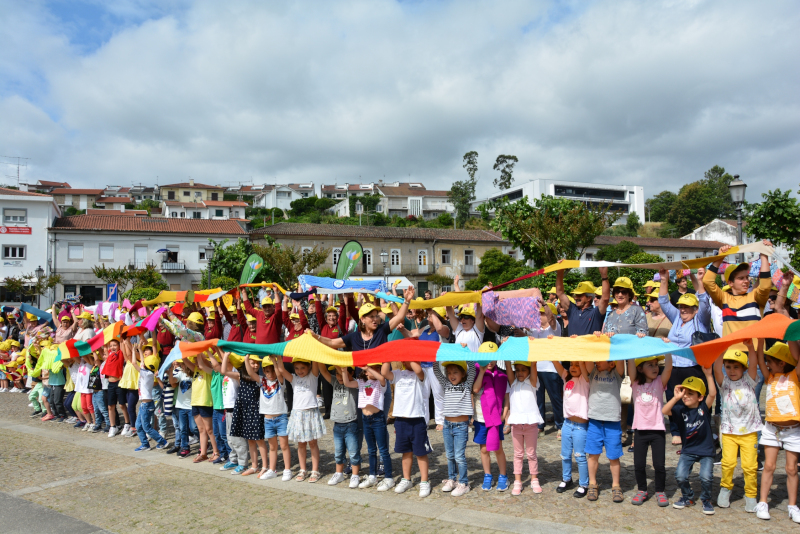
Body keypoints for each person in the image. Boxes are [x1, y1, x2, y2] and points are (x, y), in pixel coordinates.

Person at [657, 269, 711, 446]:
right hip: (674, 367)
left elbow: (704, 301)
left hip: (693, 366)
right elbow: (664, 302)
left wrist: (700, 281)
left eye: (687, 307)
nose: (683, 310)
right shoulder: (677, 317)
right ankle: (677, 431)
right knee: (674, 399)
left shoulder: (701, 318)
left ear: (695, 310)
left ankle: (697, 430)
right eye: (681, 306)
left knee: (694, 399)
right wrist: (664, 279)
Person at [713, 344, 761, 513]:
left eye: (736, 367)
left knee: (749, 466)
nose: (732, 371)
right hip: (729, 432)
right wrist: (722, 349)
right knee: (728, 463)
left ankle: (750, 495)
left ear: (743, 368)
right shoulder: (724, 383)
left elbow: (754, 364)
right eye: (729, 367)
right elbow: (716, 368)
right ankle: (725, 489)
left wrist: (750, 347)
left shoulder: (749, 380)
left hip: (749, 432)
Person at [755, 340, 800, 522]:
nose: (767, 365)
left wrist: (791, 336)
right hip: (771, 429)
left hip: (793, 430)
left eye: (770, 362)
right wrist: (758, 343)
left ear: (782, 362)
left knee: (791, 469)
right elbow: (759, 361)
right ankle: (763, 502)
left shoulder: (795, 376)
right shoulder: (770, 377)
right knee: (769, 466)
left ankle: (792, 506)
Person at [663, 370, 717, 515]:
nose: (685, 396)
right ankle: (688, 497)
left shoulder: (704, 408)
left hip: (706, 451)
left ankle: (706, 499)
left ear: (700, 397)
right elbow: (664, 410)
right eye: (684, 393)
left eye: (690, 394)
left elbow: (712, 394)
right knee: (680, 475)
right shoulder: (680, 410)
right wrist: (676, 398)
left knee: (705, 477)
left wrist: (709, 375)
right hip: (688, 450)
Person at [627, 354, 672, 507]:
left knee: (659, 465)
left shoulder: (659, 382)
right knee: (639, 464)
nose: (655, 367)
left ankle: (660, 491)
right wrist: (632, 350)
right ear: (640, 368)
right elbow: (631, 366)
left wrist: (668, 351)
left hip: (657, 430)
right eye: (650, 365)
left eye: (656, 364)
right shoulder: (635, 383)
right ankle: (642, 490)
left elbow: (668, 368)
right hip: (640, 430)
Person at [383, 360, 431, 497]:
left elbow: (418, 370)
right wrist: (387, 358)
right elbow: (384, 373)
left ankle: (424, 481)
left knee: (421, 452)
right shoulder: (398, 373)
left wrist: (411, 357)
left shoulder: (421, 374)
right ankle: (406, 479)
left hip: (417, 419)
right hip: (401, 420)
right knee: (406, 452)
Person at [342, 362, 392, 490]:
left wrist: (369, 368)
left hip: (378, 419)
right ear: (364, 372)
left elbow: (381, 377)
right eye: (372, 368)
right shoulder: (361, 382)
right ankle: (372, 475)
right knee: (371, 450)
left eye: (377, 368)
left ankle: (389, 477)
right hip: (366, 419)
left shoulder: (381, 383)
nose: (374, 370)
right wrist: (343, 369)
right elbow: (347, 383)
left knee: (383, 449)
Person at [276, 356, 325, 483]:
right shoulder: (294, 379)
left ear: (308, 367)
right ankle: (303, 469)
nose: (300, 370)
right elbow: (281, 369)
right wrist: (276, 357)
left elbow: (315, 361)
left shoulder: (313, 376)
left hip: (310, 414)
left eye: (303, 367)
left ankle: (315, 470)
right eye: (297, 368)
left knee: (313, 443)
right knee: (301, 444)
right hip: (298, 414)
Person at [584, 358, 625, 503]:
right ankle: (593, 484)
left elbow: (620, 359)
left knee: (613, 456)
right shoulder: (593, 371)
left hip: (612, 421)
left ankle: (616, 486)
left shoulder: (617, 374)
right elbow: (588, 357)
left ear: (611, 363)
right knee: (593, 454)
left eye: (601, 359)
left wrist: (612, 339)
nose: (596, 361)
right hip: (595, 421)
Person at [434, 359, 476, 497]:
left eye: (455, 372)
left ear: (463, 374)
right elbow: (436, 371)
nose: (452, 375)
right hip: (447, 426)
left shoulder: (467, 384)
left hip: (461, 427)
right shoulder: (446, 384)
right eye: (449, 372)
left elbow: (472, 368)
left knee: (459, 456)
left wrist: (465, 353)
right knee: (450, 455)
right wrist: (436, 357)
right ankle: (451, 479)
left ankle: (463, 483)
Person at [246, 355, 290, 480]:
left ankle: (287, 470)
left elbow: (279, 372)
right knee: (272, 446)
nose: (270, 374)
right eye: (267, 371)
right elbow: (249, 371)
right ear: (264, 371)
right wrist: (246, 358)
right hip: (267, 420)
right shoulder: (261, 381)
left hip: (281, 418)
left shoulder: (280, 381)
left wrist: (276, 362)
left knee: (284, 445)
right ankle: (272, 469)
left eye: (272, 370)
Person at [472, 343, 509, 493]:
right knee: (484, 449)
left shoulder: (502, 376)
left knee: (498, 448)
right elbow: (475, 389)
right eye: (486, 358)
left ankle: (503, 475)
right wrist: (481, 372)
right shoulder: (476, 372)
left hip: (496, 419)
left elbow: (506, 398)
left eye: (492, 358)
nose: (490, 362)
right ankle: (488, 475)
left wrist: (504, 414)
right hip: (481, 418)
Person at [320, 364, 362, 488]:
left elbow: (345, 375)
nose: (338, 376)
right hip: (337, 424)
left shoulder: (354, 383)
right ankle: (339, 473)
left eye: (340, 372)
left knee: (353, 452)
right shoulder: (335, 382)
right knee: (338, 452)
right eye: (337, 373)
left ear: (351, 373)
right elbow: (323, 370)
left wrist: (341, 365)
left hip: (351, 424)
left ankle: (355, 475)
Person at [552, 360, 590, 498]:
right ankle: (566, 479)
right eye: (571, 364)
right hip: (567, 424)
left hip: (581, 427)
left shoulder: (585, 380)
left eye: (577, 364)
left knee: (580, 456)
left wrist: (579, 353)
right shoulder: (566, 377)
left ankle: (584, 484)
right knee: (565, 455)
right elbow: (555, 362)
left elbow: (585, 364)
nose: (574, 367)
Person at [505, 360, 543, 495]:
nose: (520, 372)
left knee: (531, 454)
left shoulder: (533, 383)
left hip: (530, 424)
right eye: (518, 370)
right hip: (516, 424)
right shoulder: (513, 383)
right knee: (518, 454)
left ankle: (534, 479)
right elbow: (508, 364)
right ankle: (518, 481)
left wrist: (533, 363)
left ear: (529, 371)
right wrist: (506, 345)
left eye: (523, 370)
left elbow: (533, 365)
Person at [530, 303, 564, 438]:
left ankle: (561, 425)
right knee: (538, 399)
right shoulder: (535, 329)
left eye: (542, 313)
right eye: (539, 313)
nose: (539, 315)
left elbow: (551, 319)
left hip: (552, 368)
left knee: (555, 398)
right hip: (537, 368)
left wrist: (545, 304)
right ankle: (540, 425)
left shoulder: (555, 327)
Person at [182, 351, 220, 463]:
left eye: (197, 359)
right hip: (195, 402)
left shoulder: (208, 368)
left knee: (209, 429)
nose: (195, 361)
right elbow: (185, 360)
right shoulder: (196, 369)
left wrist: (199, 352)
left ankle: (216, 452)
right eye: (194, 359)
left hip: (205, 402)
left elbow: (204, 364)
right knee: (201, 429)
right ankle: (203, 453)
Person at [132, 340, 170, 451]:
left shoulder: (145, 373)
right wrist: (139, 349)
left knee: (146, 427)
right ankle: (145, 444)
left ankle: (162, 441)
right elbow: (143, 363)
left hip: (146, 405)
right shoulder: (148, 372)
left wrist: (135, 351)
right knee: (138, 425)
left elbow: (135, 363)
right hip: (145, 404)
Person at [555, 265, 610, 336]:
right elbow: (559, 293)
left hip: (590, 347)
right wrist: (560, 271)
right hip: (573, 347)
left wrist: (604, 275)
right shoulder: (572, 310)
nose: (576, 298)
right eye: (576, 295)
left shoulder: (596, 313)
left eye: (580, 295)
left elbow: (605, 298)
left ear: (589, 298)